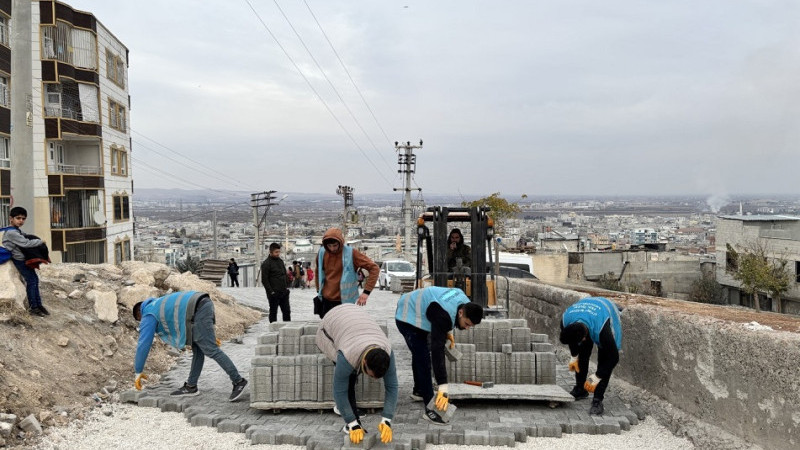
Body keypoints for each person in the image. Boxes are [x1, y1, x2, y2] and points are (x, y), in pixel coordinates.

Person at [132, 291, 248, 401]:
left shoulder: (148, 313)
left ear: (139, 313)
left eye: (140, 320)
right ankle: (191, 386)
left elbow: (144, 343)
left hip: (198, 309)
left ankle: (238, 381)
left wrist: (138, 370)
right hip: (201, 304)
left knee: (211, 350)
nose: (142, 322)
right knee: (197, 349)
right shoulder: (158, 303)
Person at [394, 286, 484, 425]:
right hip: (406, 316)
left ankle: (419, 390)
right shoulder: (443, 315)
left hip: (423, 310)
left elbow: (446, 312)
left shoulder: (463, 299)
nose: (467, 328)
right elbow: (438, 352)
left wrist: (448, 332)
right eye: (467, 324)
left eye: (470, 326)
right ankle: (430, 409)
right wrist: (443, 386)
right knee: (423, 359)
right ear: (461, 312)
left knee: (420, 353)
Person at [316, 303, 398, 445]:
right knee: (348, 379)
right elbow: (338, 390)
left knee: (352, 373)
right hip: (329, 325)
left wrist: (387, 419)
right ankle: (349, 419)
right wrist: (352, 422)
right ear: (365, 362)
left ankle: (349, 414)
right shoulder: (347, 356)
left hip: (355, 318)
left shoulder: (387, 352)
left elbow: (392, 387)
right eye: (371, 375)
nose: (371, 379)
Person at [559, 296, 622, 416]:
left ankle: (598, 400)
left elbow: (613, 358)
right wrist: (574, 357)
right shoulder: (565, 320)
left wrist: (596, 377)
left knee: (604, 358)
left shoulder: (602, 330)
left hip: (605, 310)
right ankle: (580, 389)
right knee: (582, 354)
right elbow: (572, 342)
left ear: (583, 338)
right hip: (585, 312)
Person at [315, 228, 379, 318]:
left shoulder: (351, 253)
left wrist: (366, 292)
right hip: (326, 301)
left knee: (343, 329)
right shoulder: (322, 253)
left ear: (340, 243)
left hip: (345, 302)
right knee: (328, 329)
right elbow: (318, 271)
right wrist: (319, 290)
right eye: (329, 246)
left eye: (335, 245)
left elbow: (374, 268)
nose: (332, 249)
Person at [1, 207, 48, 317]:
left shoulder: (17, 230)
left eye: (23, 218)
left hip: (23, 259)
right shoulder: (12, 232)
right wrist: (40, 241)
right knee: (31, 281)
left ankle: (38, 305)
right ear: (11, 218)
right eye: (18, 218)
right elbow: (26, 243)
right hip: (19, 261)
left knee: (34, 280)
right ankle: (34, 307)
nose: (21, 221)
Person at [261, 243, 290, 323]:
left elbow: (284, 274)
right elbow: (264, 280)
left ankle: (287, 329)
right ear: (270, 252)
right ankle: (273, 330)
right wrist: (271, 292)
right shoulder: (266, 264)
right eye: (276, 252)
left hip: (283, 292)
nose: (278, 254)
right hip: (274, 293)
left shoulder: (280, 261)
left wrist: (287, 287)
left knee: (286, 312)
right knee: (273, 312)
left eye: (279, 252)